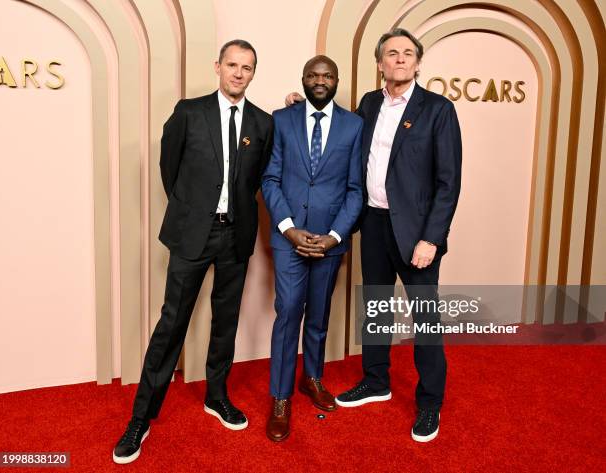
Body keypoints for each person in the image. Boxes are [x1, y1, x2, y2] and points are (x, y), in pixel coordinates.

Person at [284, 28, 462, 442]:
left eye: (407, 54)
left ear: (417, 62)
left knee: (425, 320)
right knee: (377, 308)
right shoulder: (368, 103)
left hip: (417, 233)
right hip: (374, 222)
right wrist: (301, 104)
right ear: (380, 63)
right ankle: (376, 380)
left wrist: (431, 239)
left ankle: (430, 403)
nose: (399, 59)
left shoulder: (438, 110)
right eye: (391, 54)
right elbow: (340, 130)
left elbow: (448, 182)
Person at [113, 39, 273, 464]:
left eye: (248, 67)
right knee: (172, 323)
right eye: (233, 65)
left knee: (226, 322)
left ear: (254, 73)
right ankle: (141, 417)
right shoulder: (189, 112)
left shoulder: (262, 122)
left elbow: (254, 179)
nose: (239, 73)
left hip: (235, 236)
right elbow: (170, 169)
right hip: (192, 235)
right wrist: (194, 212)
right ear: (217, 67)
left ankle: (216, 397)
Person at [262, 55, 363, 442]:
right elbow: (270, 179)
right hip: (290, 239)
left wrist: (335, 236)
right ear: (303, 79)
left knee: (319, 314)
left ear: (336, 81)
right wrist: (289, 230)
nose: (320, 81)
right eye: (313, 75)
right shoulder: (281, 119)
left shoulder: (354, 125)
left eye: (327, 75)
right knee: (289, 312)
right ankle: (280, 397)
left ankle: (313, 378)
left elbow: (355, 189)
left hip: (329, 242)